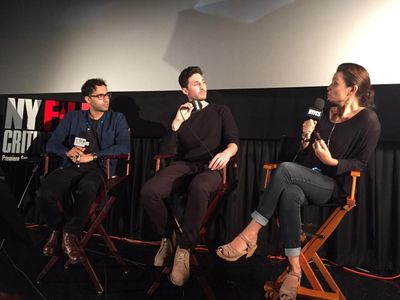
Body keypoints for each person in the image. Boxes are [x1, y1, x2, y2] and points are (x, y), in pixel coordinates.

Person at [216, 63, 381, 299]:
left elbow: (361, 164)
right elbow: (305, 157)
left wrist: (332, 162)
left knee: (284, 170)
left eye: (335, 83)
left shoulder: (368, 121)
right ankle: (295, 271)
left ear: (352, 89)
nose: (328, 87)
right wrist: (306, 137)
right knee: (290, 193)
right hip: (306, 177)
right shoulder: (325, 115)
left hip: (333, 185)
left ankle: (249, 235)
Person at [140, 66, 239, 286]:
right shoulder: (182, 114)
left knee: (199, 187)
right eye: (196, 83)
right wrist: (176, 122)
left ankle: (183, 249)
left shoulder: (220, 110)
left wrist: (226, 153)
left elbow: (233, 140)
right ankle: (169, 237)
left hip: (212, 166)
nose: (203, 86)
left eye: (203, 81)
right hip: (184, 165)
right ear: (185, 91)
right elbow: (167, 148)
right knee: (150, 191)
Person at [36, 78, 129, 263]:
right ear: (88, 100)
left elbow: (124, 147)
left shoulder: (117, 118)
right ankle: (57, 228)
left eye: (107, 94)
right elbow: (52, 144)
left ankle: (70, 233)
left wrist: (94, 156)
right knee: (44, 194)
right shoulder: (73, 118)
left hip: (99, 169)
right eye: (100, 95)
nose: (106, 99)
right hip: (72, 166)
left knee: (86, 187)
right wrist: (66, 151)